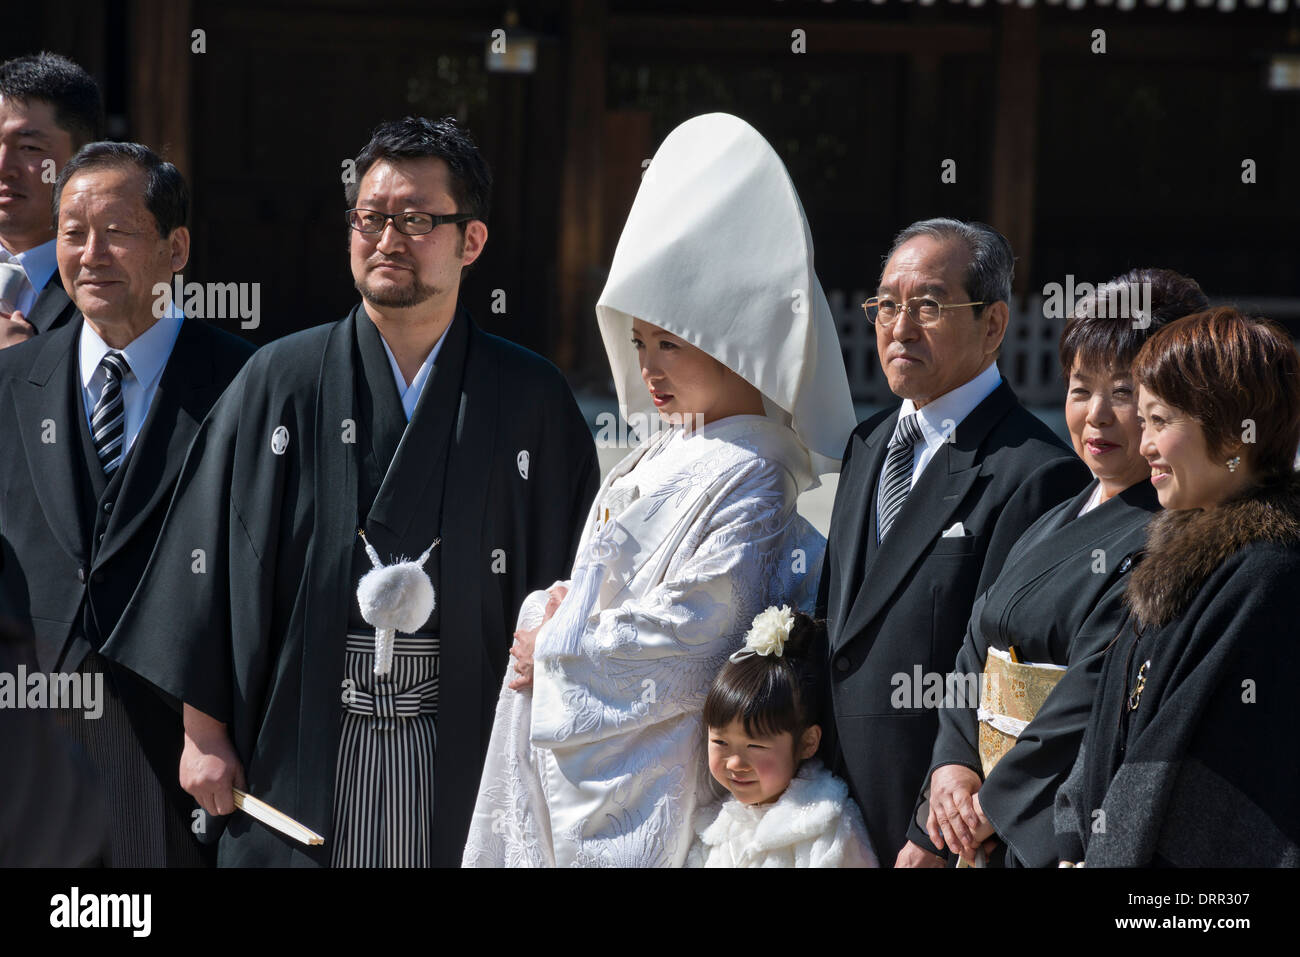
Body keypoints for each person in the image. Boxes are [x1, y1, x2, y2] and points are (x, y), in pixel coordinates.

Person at [102, 116, 599, 867]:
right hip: (301, 750)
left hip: (469, 744)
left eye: (417, 219)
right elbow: (208, 553)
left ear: (472, 241)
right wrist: (203, 732)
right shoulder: (280, 379)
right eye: (370, 217)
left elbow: (577, 574)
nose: (387, 237)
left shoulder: (530, 396)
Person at [462, 112, 857, 868]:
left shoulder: (754, 474)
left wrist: (560, 641)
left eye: (669, 343)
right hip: (586, 756)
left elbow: (697, 629)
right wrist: (548, 608)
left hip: (659, 773)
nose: (649, 366)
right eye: (641, 343)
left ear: (733, 340)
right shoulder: (658, 454)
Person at [899, 268, 1208, 868]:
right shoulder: (1059, 514)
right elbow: (975, 647)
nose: (1096, 416)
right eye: (1080, 388)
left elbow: (1095, 689)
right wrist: (950, 770)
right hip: (975, 815)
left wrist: (988, 807)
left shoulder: (1171, 535)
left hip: (1053, 826)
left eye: (1124, 393)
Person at [0, 142, 255, 865]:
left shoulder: (245, 384)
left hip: (177, 739)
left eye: (116, 230)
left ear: (176, 248)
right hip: (32, 730)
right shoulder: (10, 380)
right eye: (73, 232)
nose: (90, 253)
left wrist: (214, 722)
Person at [817, 218, 1090, 867]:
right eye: (886, 303)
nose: (899, 325)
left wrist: (931, 829)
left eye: (929, 305)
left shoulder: (1035, 471)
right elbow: (837, 623)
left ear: (993, 324)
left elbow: (1006, 678)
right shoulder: (868, 443)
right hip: (830, 807)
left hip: (930, 829)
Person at [1056, 307, 1300, 866]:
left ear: (1230, 426)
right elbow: (1106, 728)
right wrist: (1075, 841)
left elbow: (1216, 781)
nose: (1145, 444)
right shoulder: (1177, 559)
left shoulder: (1269, 577)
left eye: (1161, 421)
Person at [686, 607, 876, 868]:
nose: (733, 764)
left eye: (755, 745)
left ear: (808, 742)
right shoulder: (716, 826)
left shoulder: (826, 826)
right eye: (720, 742)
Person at [0, 53, 101, 347]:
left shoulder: (113, 292)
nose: (4, 167)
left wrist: (20, 365)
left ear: (83, 161)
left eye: (29, 147)